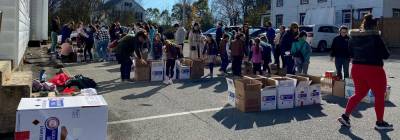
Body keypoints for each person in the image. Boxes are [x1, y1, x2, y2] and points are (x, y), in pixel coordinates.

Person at [338, 14, 392, 130]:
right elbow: (386, 55)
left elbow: (350, 53)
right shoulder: (375, 37)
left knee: (359, 94)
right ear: (375, 26)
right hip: (374, 70)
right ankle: (380, 122)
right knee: (379, 96)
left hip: (357, 68)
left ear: (364, 24)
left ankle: (345, 117)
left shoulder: (354, 37)